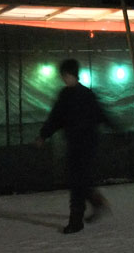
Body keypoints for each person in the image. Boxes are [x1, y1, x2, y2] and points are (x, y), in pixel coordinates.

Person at [35, 59, 111, 234]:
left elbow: (101, 114)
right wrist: (43, 135)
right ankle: (95, 202)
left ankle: (76, 221)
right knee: (77, 181)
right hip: (75, 145)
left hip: (87, 145)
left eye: (65, 75)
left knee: (77, 183)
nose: (64, 79)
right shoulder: (67, 95)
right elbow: (55, 118)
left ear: (72, 75)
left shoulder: (85, 95)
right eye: (63, 76)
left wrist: (117, 130)